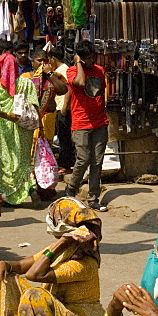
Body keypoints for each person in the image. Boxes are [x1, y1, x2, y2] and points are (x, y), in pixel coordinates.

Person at [0, 42, 40, 206]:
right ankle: (31, 188)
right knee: (24, 160)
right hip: (23, 128)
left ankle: (9, 196)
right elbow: (34, 105)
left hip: (2, 129)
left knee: (5, 162)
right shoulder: (27, 83)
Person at [65, 39, 109, 212]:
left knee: (97, 161)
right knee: (83, 159)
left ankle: (93, 198)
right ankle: (72, 188)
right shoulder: (72, 71)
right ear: (80, 58)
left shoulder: (99, 71)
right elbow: (81, 83)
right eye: (87, 58)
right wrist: (78, 63)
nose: (92, 61)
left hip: (99, 122)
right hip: (81, 123)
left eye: (93, 57)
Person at [28, 49, 69, 144]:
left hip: (49, 118)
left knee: (45, 150)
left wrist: (49, 73)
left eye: (45, 61)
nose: (42, 63)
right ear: (33, 62)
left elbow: (63, 90)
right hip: (32, 119)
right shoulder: (26, 77)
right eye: (39, 60)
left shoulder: (53, 77)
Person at [49, 46, 75, 174]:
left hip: (63, 107)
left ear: (53, 59)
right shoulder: (62, 70)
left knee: (64, 137)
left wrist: (64, 107)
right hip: (60, 106)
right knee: (63, 136)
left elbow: (68, 89)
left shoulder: (62, 70)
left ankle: (66, 164)